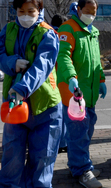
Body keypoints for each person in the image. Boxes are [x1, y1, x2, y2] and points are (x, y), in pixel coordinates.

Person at [0, 0, 62, 188]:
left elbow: (43, 66)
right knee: (11, 157)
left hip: (45, 106)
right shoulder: (8, 30)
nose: (25, 15)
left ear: (39, 10)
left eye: (30, 11)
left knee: (43, 159)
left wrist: (22, 88)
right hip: (14, 105)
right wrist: (11, 63)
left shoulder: (48, 33)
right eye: (21, 11)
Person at [57, 0, 106, 188]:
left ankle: (80, 165)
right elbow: (63, 56)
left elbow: (96, 61)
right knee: (78, 132)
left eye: (94, 12)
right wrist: (71, 77)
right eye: (87, 11)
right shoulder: (67, 29)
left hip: (90, 92)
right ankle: (82, 170)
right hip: (74, 93)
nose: (91, 15)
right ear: (78, 9)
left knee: (87, 130)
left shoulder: (93, 31)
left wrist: (101, 80)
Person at [50, 13, 69, 155]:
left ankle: (55, 143)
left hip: (49, 79)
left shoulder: (47, 33)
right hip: (61, 77)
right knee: (62, 113)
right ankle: (62, 143)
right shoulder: (62, 35)